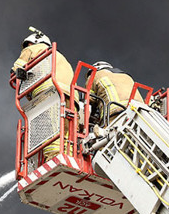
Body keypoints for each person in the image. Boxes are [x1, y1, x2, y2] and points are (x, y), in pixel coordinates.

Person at [11, 28, 75, 160]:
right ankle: (69, 156)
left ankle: (54, 158)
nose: (27, 48)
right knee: (68, 132)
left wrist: (16, 73)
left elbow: (17, 69)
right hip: (72, 99)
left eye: (28, 44)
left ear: (34, 41)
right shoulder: (61, 58)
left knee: (49, 131)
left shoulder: (34, 48)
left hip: (49, 95)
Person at [87, 61, 144, 127]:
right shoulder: (126, 76)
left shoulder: (94, 75)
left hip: (114, 112)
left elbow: (90, 100)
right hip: (139, 111)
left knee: (107, 134)